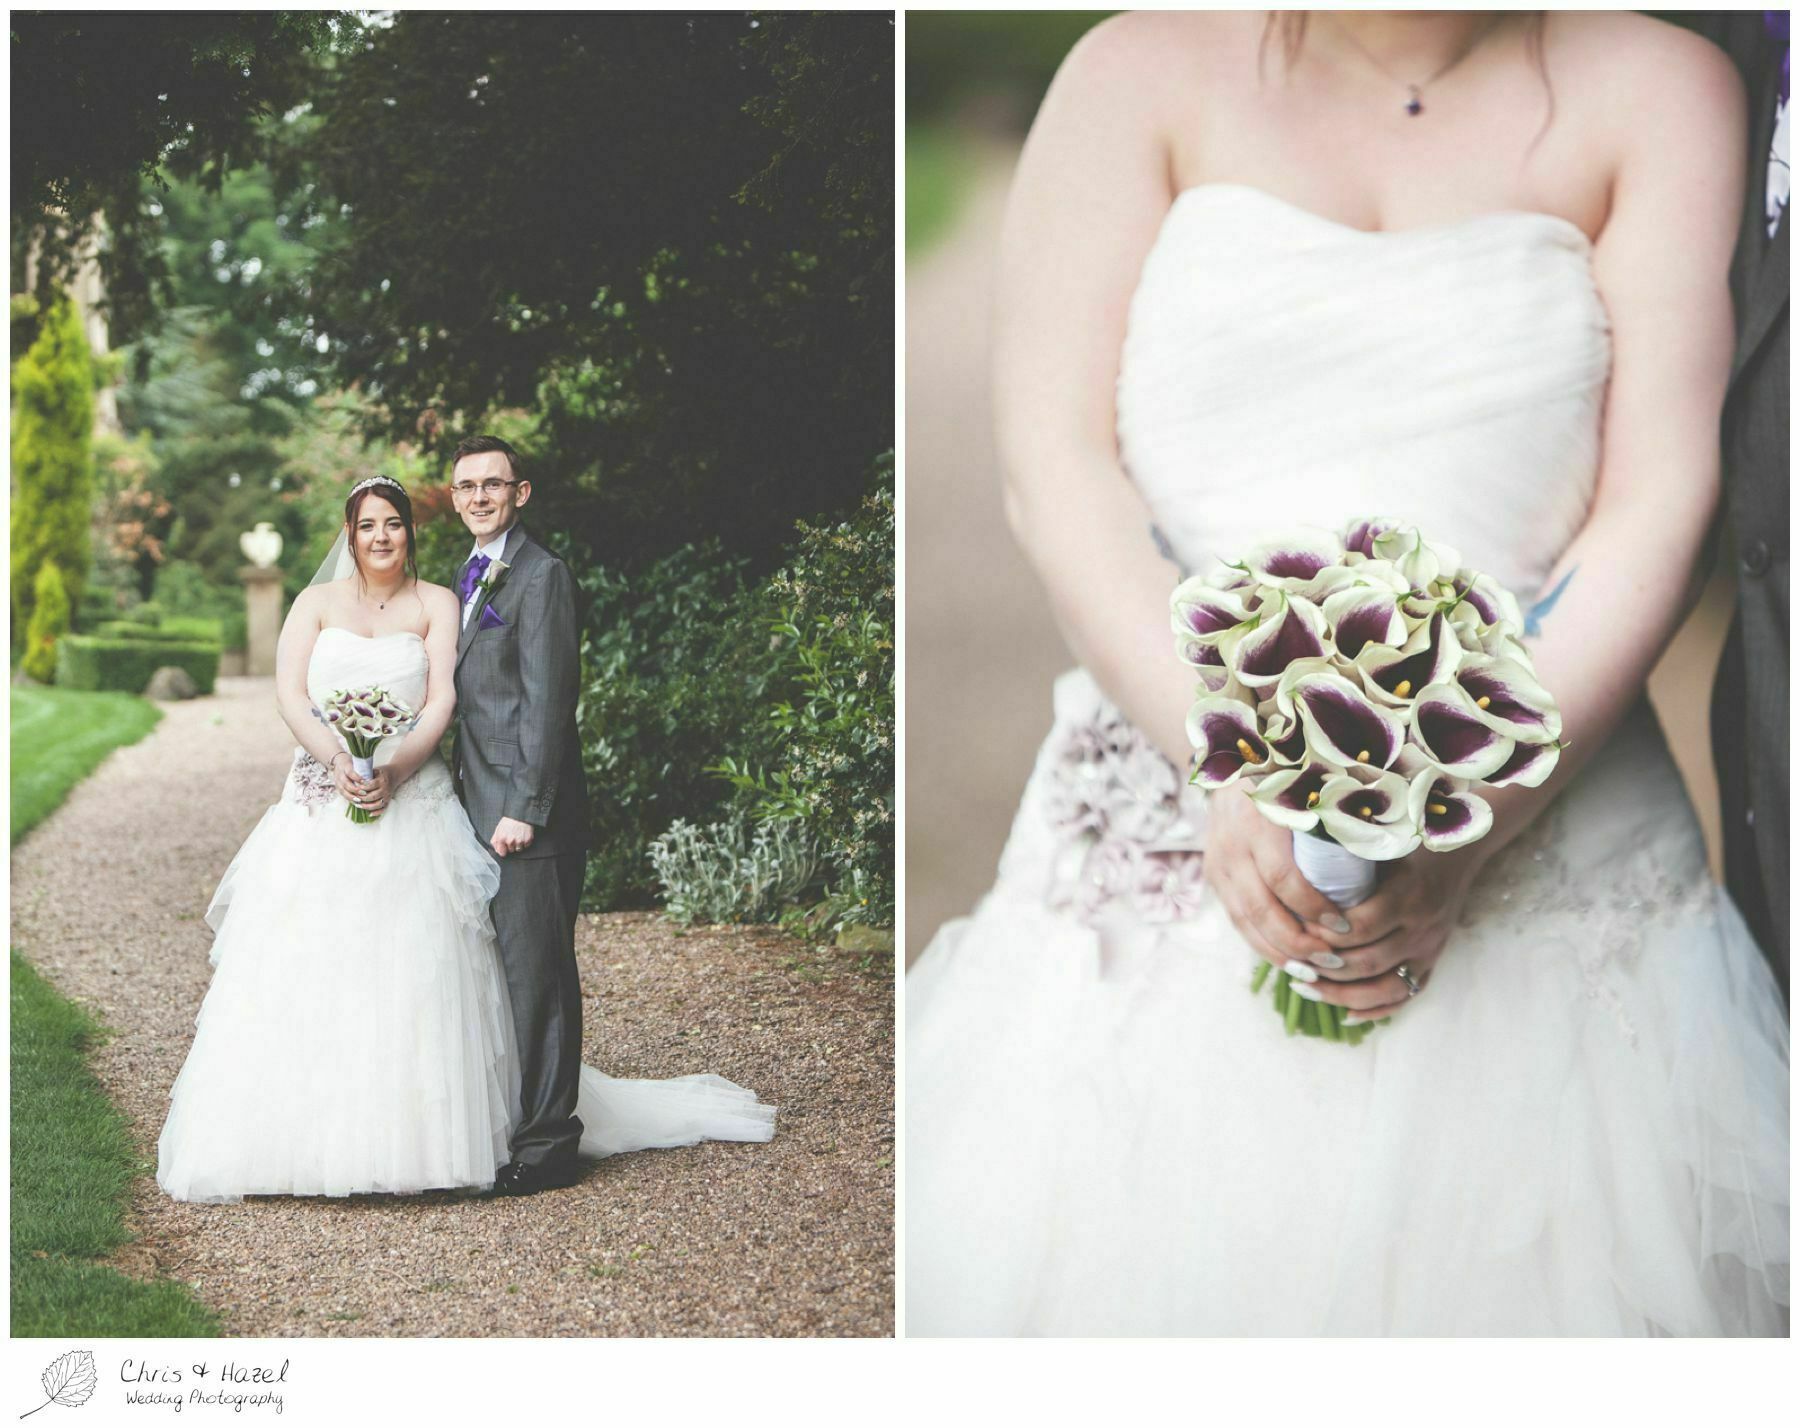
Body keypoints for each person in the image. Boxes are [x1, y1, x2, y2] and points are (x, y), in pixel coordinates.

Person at [907, 10, 1788, 1335]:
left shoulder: (1665, 87)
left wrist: (1477, 808)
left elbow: (1659, 498)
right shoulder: (1132, 72)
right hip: (1169, 796)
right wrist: (1233, 758)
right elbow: (1059, 471)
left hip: (1552, 835)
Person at [157, 475, 775, 1203]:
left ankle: (426, 1143)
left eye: (392, 524)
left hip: (411, 801)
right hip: (320, 805)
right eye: (367, 526)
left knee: (419, 966)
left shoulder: (439, 602)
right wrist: (339, 760)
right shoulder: (312, 604)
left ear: (410, 533)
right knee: (313, 960)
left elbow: (444, 697)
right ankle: (297, 1142)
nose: (381, 536)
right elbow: (291, 694)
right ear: (348, 534)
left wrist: (392, 764)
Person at [444, 434, 594, 1196]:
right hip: (474, 808)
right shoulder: (464, 578)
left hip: (524, 820)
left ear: (521, 493)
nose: (478, 497)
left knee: (538, 981)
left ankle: (548, 1146)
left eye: (492, 485)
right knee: (500, 978)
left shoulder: (542, 577)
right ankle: (518, 1123)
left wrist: (526, 809)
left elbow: (549, 703)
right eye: (466, 485)